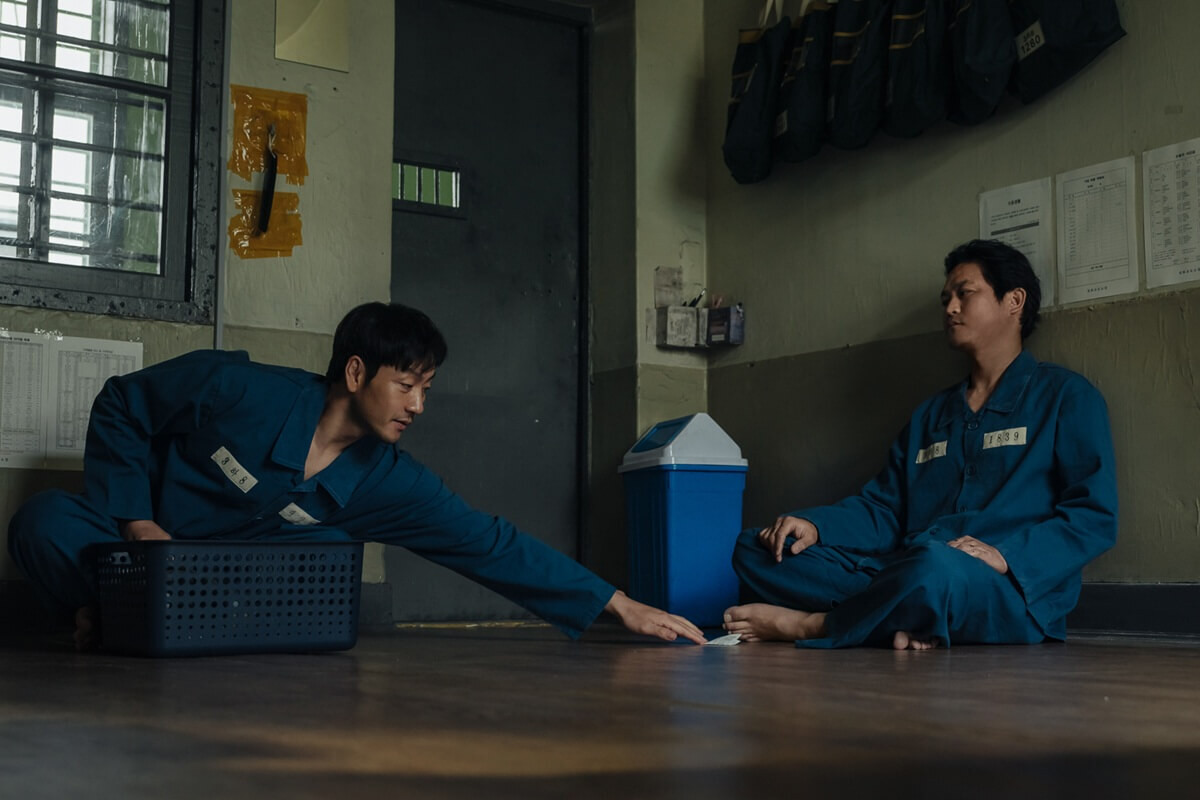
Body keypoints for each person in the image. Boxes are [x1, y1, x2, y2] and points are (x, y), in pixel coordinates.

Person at [8, 302, 706, 650]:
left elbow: (487, 542)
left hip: (229, 581)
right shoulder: (239, 389)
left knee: (330, 558)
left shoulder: (389, 479)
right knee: (43, 521)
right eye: (406, 385)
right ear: (354, 372)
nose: (418, 406)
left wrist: (616, 602)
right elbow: (123, 404)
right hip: (142, 549)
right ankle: (113, 613)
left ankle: (126, 628)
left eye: (427, 389)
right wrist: (138, 523)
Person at [723, 239, 1118, 650]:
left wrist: (1007, 556)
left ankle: (814, 625)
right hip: (907, 567)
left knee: (933, 568)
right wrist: (816, 526)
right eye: (946, 299)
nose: (950, 308)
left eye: (965, 294)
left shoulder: (1066, 397)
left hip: (1004, 590)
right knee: (755, 548)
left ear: (1013, 301)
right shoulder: (931, 415)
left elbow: (1093, 516)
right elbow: (884, 510)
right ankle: (906, 616)